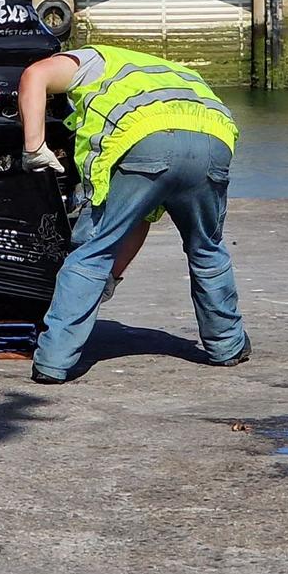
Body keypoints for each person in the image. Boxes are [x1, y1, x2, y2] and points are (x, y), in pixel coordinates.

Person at [20, 44, 249, 382]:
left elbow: (34, 75)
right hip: (214, 140)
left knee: (93, 251)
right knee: (207, 247)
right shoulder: (178, 74)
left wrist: (34, 146)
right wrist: (113, 277)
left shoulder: (93, 60)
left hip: (145, 137)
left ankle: (53, 361)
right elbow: (139, 218)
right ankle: (227, 346)